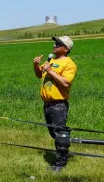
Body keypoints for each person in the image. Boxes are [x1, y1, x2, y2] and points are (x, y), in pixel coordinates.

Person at [33, 36, 77, 171]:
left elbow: (66, 83)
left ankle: (60, 164)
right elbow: (39, 75)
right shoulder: (51, 60)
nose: (54, 46)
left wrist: (50, 71)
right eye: (55, 43)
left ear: (66, 49)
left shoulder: (69, 64)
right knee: (54, 134)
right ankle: (62, 154)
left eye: (58, 44)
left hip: (58, 105)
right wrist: (36, 65)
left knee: (60, 135)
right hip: (47, 105)